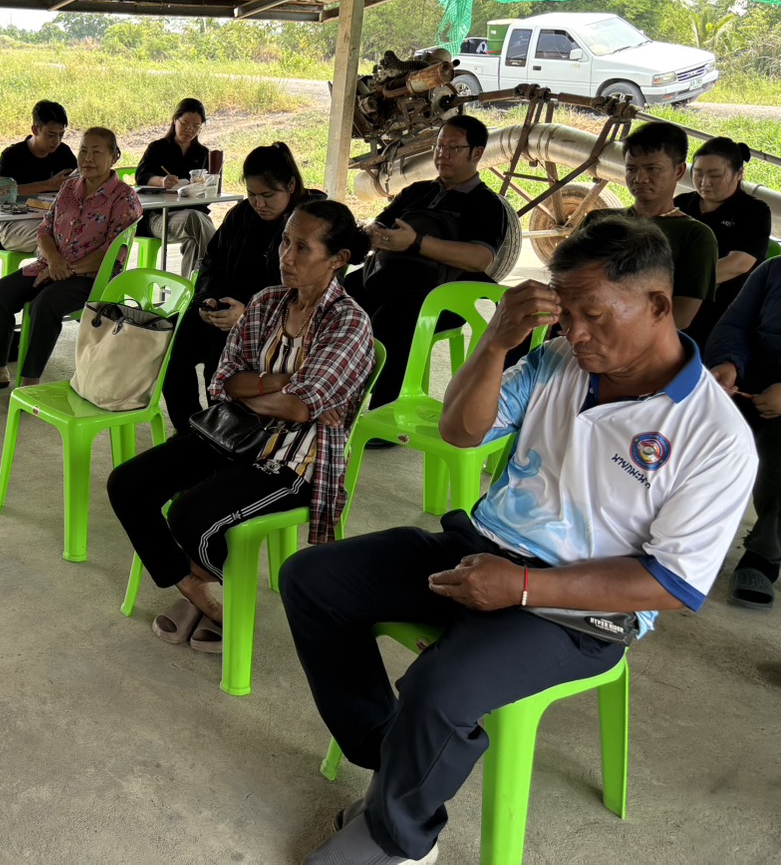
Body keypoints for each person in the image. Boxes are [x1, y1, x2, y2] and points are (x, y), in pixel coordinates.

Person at [283, 215, 755, 865]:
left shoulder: (714, 436)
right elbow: (458, 430)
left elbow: (669, 584)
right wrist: (496, 343)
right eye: (564, 313)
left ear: (655, 305)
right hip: (482, 543)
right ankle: (391, 757)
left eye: (592, 315)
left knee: (439, 688)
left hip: (582, 610)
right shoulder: (556, 359)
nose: (575, 333)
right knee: (313, 580)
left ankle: (399, 839)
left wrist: (523, 587)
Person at [108, 199, 373, 650]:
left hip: (296, 459)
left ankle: (201, 592)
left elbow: (300, 411)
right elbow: (224, 381)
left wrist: (268, 392)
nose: (285, 256)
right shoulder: (268, 302)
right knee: (127, 484)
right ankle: (194, 588)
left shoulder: (349, 323)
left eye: (302, 248)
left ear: (338, 259)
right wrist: (280, 384)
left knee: (190, 513)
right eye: (285, 242)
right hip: (233, 433)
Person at [343, 114, 508, 409]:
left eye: (453, 148)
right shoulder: (417, 192)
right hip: (391, 277)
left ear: (477, 153)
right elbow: (377, 225)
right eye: (439, 146)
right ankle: (332, 390)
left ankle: (385, 409)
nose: (442, 155)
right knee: (339, 298)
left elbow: (480, 258)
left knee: (391, 319)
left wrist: (417, 243)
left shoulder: (486, 204)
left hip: (443, 294)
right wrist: (375, 235)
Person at [160, 142, 318, 431]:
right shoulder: (242, 215)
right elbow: (211, 262)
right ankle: (191, 433)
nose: (259, 204)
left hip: (275, 328)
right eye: (252, 195)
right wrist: (209, 299)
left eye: (268, 195)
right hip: (228, 312)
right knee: (171, 350)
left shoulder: (311, 224)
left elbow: (306, 294)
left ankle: (225, 437)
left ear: (292, 185)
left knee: (218, 365)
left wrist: (248, 316)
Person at [0, 127, 141, 392]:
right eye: (84, 151)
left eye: (97, 152)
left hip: (92, 276)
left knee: (46, 304)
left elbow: (112, 253)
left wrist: (65, 269)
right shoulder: (68, 187)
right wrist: (54, 262)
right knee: (0, 292)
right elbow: (45, 229)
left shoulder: (124, 197)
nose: (87, 158)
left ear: (115, 157)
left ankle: (30, 381)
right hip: (50, 266)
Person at [581, 120, 717, 335]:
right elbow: (566, 284)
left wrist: (602, 323)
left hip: (643, 346)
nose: (639, 178)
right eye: (631, 169)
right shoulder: (599, 222)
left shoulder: (695, 236)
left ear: (679, 171)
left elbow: (681, 316)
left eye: (652, 169)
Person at [707, 256, 781, 610]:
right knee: (701, 433)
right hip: (748, 385)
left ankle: (763, 556)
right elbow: (734, 325)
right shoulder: (773, 270)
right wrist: (728, 364)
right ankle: (697, 536)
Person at [675, 136, 771, 350]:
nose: (704, 182)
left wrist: (680, 281)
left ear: (739, 174)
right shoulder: (681, 204)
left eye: (715, 175)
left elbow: (739, 263)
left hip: (725, 310)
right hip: (675, 301)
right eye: (698, 173)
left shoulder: (754, 211)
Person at [135, 98, 216, 276]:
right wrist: (161, 181)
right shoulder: (157, 148)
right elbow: (141, 176)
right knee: (197, 219)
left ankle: (190, 293)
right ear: (175, 120)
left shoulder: (202, 153)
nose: (189, 130)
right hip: (159, 217)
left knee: (195, 239)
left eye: (196, 126)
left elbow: (210, 189)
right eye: (185, 123)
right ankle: (218, 267)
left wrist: (201, 186)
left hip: (192, 217)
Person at [0, 99, 76, 254]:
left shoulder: (64, 153)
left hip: (52, 219)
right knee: (58, 237)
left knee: (66, 236)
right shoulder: (13, 155)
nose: (56, 141)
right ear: (35, 129)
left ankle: (50, 274)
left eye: (61, 135)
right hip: (14, 224)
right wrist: (47, 185)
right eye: (51, 135)